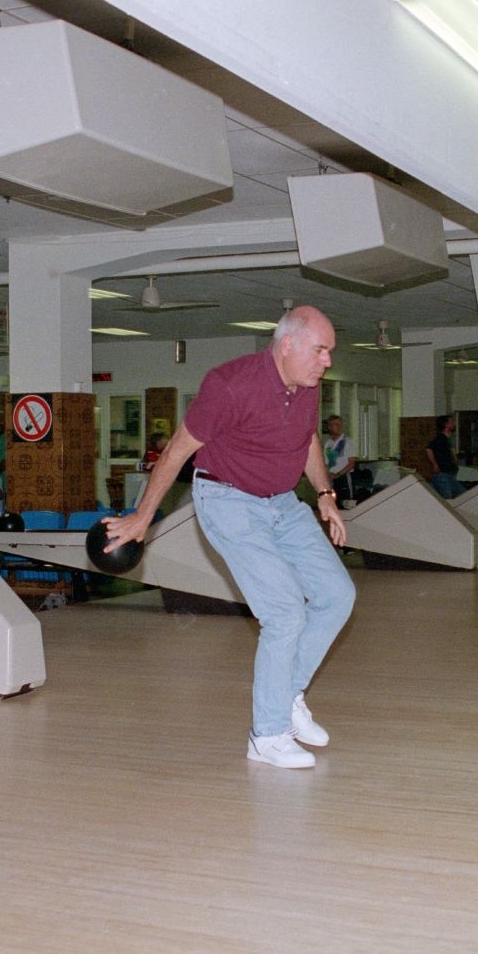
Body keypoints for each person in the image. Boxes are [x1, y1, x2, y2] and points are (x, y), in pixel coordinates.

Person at [100, 305, 355, 771]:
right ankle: (268, 734)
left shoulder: (307, 387)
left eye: (329, 352)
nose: (327, 361)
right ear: (288, 345)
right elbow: (178, 450)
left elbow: (308, 439)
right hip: (229, 501)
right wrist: (143, 518)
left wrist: (324, 494)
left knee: (337, 594)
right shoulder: (230, 385)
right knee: (283, 612)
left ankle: (287, 696)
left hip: (282, 503)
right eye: (320, 350)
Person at [425, 414, 465, 499]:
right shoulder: (441, 439)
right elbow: (428, 449)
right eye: (452, 422)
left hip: (447, 475)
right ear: (446, 425)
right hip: (443, 475)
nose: (454, 424)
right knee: (449, 499)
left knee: (462, 495)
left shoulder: (446, 439)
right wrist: (435, 464)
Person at [322, 414, 356, 501]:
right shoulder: (328, 444)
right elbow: (326, 463)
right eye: (336, 424)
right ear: (330, 427)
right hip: (331, 480)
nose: (339, 427)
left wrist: (338, 475)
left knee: (346, 504)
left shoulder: (347, 441)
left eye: (340, 424)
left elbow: (351, 463)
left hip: (343, 478)